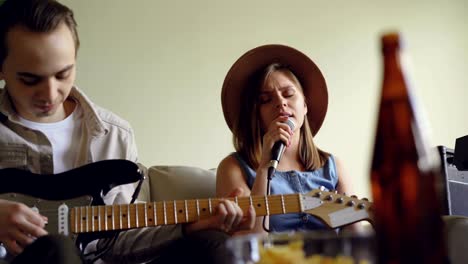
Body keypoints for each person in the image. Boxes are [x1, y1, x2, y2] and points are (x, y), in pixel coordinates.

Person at [0, 0, 254, 263]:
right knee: (58, 248)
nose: (50, 94)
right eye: (30, 79)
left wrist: (191, 226)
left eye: (63, 74)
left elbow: (119, 243)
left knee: (214, 245)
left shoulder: (114, 134)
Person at [216, 44, 353, 234]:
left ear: (305, 105)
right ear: (256, 115)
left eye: (288, 94)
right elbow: (251, 240)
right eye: (266, 100)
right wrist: (264, 166)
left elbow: (358, 242)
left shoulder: (334, 166)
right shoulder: (233, 167)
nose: (281, 102)